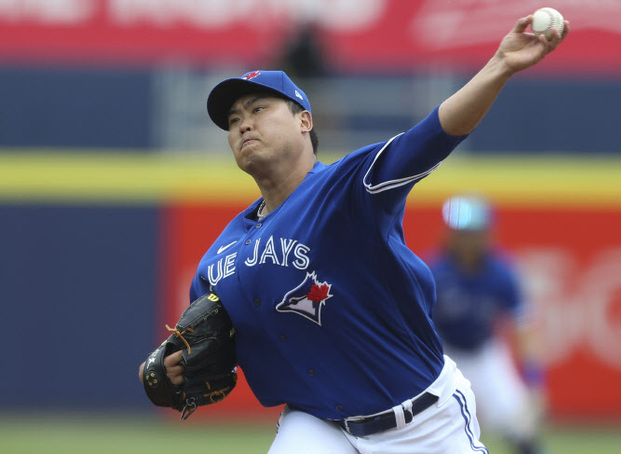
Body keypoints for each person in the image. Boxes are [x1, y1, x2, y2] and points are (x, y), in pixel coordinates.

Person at [140, 14, 568, 454]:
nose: (243, 125)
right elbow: (210, 355)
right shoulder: (219, 259)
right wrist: (169, 367)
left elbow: (433, 135)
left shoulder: (347, 190)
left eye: (258, 109)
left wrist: (499, 65)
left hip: (421, 422)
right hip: (317, 424)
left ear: (305, 121)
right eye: (233, 120)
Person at [428, 195, 548, 454]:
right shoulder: (434, 272)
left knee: (521, 423)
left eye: (472, 232)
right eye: (460, 231)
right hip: (444, 353)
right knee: (433, 427)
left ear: (486, 234)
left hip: (484, 352)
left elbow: (524, 327)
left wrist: (535, 380)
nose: (466, 238)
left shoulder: (502, 274)